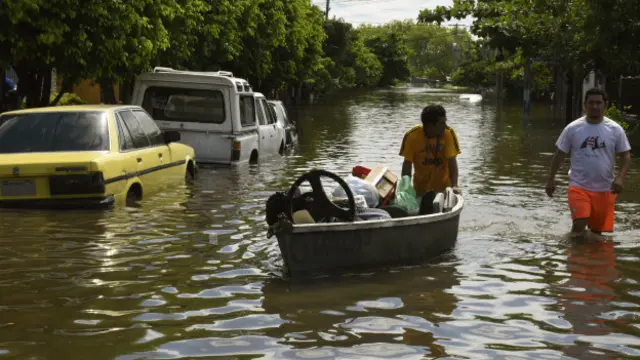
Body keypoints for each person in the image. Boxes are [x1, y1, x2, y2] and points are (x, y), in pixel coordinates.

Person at [546, 87, 632, 239]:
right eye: (591, 103)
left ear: (605, 104)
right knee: (580, 225)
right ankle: (570, 255)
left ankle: (588, 260)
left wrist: (620, 178)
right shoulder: (573, 128)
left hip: (605, 188)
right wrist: (550, 179)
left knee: (597, 234)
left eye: (598, 103)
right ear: (585, 105)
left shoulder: (615, 129)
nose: (594, 106)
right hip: (578, 186)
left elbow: (625, 155)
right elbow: (560, 154)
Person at [399, 104, 461, 210]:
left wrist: (454, 185)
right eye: (442, 123)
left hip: (444, 189)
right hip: (420, 189)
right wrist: (406, 189)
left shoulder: (448, 133)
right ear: (430, 125)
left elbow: (452, 162)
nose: (445, 125)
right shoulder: (411, 136)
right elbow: (407, 164)